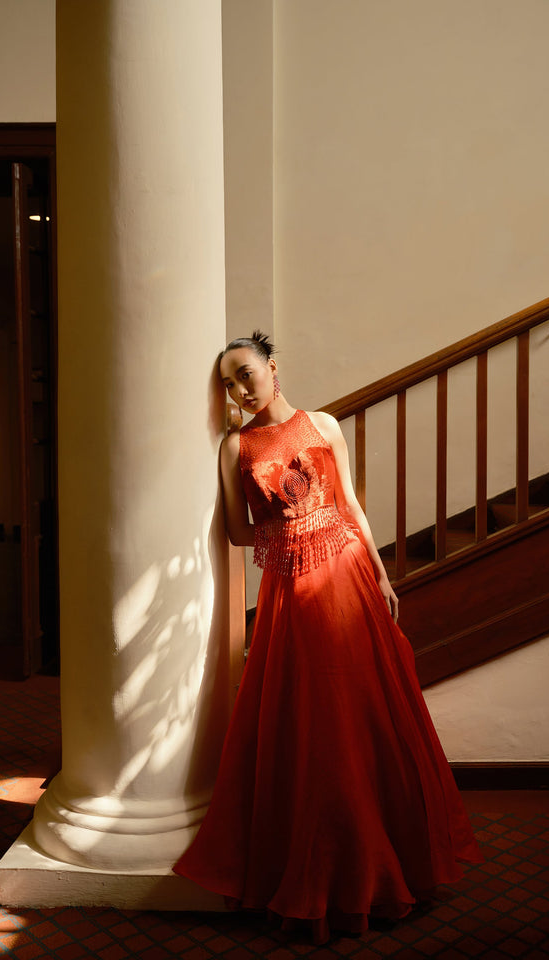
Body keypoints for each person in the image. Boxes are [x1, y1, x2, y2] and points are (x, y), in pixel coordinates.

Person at [174, 331, 482, 942]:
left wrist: (382, 573)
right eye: (228, 384)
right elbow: (238, 532)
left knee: (363, 706)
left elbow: (351, 506)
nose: (239, 389)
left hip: (347, 570)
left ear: (272, 368)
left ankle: (389, 859)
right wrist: (284, 521)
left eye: (245, 373)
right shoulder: (234, 445)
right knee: (315, 716)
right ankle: (324, 864)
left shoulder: (323, 423)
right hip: (293, 585)